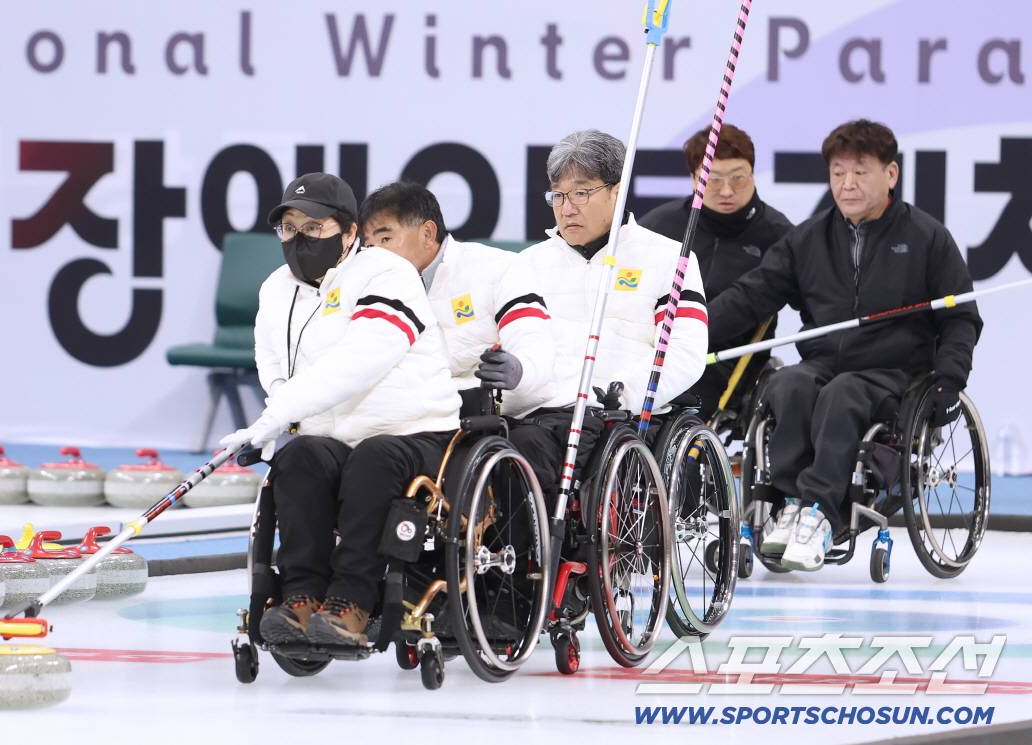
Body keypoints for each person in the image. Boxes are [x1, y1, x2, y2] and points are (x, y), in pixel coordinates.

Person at [708, 120, 983, 571]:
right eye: (838, 173)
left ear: (890, 174)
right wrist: (691, 328)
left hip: (894, 372)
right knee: (788, 385)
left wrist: (950, 379)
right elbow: (751, 295)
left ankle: (820, 514)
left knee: (843, 394)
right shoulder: (808, 239)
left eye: (860, 172)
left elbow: (961, 318)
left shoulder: (926, 237)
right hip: (823, 363)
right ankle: (787, 506)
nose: (847, 184)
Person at [228, 172, 461, 647]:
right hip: (336, 438)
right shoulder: (275, 288)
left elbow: (361, 360)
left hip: (414, 432)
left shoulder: (386, 273)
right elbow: (270, 360)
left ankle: (351, 603)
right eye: (288, 229)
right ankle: (301, 597)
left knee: (374, 458)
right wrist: (281, 414)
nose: (298, 239)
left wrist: (282, 409)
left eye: (313, 228)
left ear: (349, 232)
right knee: (298, 457)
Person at [508, 129, 709, 497]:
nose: (568, 208)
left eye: (582, 193)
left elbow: (684, 352)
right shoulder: (524, 266)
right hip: (540, 412)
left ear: (617, 191)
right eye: (559, 195)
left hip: (619, 414)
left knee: (538, 451)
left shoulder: (669, 259)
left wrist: (621, 392)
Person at [358, 180, 556, 418]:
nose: (375, 255)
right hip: (405, 421)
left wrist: (521, 370)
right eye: (368, 245)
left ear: (428, 234)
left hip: (487, 420)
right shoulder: (365, 294)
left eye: (385, 240)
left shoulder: (499, 269)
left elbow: (532, 340)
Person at [639, 124, 793, 422]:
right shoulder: (659, 226)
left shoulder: (780, 236)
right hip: (649, 352)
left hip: (725, 362)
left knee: (670, 406)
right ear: (694, 178)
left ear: (753, 174)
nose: (726, 190)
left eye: (738, 178)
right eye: (713, 179)